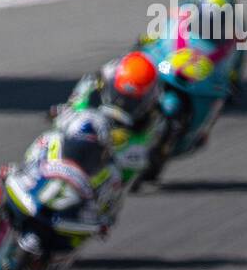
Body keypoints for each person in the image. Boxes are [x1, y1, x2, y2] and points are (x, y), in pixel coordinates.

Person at [50, 51, 165, 190]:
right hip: (83, 133)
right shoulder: (95, 82)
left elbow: (138, 158)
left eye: (131, 101)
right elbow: (75, 102)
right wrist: (65, 110)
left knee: (111, 183)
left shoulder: (153, 115)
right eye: (120, 96)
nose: (123, 103)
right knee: (50, 139)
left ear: (147, 98)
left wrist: (125, 145)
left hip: (111, 160)